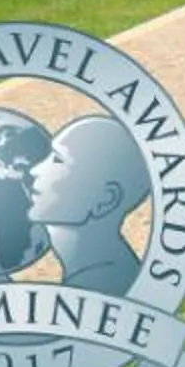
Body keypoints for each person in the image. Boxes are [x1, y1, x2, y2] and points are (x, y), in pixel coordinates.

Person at [27, 112, 151, 294]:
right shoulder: (103, 268)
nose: (34, 170)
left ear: (105, 200)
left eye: (57, 160)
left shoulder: (98, 287)